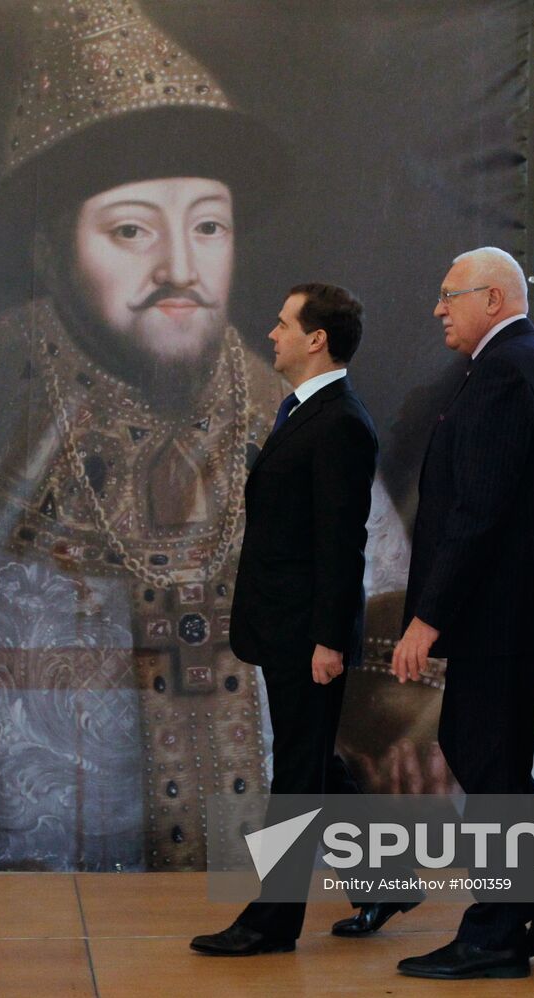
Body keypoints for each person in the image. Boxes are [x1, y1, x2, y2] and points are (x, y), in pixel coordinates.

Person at [0, 3, 413, 874]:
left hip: (265, 893)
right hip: (19, 933)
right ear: (52, 247)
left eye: (208, 225)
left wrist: (403, 722)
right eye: (132, 229)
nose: (180, 265)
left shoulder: (290, 413)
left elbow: (392, 634)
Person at [389, 248, 534, 979]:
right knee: (494, 758)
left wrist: (427, 619)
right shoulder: (515, 362)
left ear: (493, 296)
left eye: (450, 295)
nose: (438, 308)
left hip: (501, 605)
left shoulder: (510, 369)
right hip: (508, 604)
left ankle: (493, 933)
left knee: (487, 757)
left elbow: (478, 510)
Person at [190, 283, 379, 956]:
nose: (271, 333)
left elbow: (342, 541)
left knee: (298, 773)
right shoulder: (306, 413)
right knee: (312, 760)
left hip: (308, 634)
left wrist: (330, 637)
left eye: (283, 322)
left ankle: (271, 922)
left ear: (315, 339)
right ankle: (385, 877)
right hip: (286, 626)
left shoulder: (341, 424)